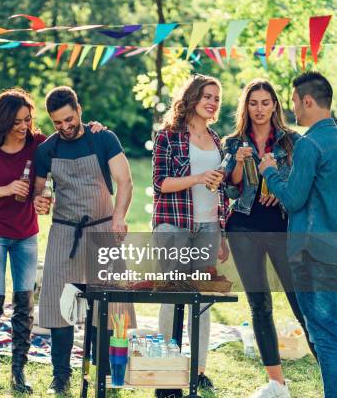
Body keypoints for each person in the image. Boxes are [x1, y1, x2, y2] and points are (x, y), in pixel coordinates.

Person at [0, 88, 106, 394]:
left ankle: (19, 371)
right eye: (17, 121)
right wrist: (5, 189)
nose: (24, 126)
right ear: (2, 121)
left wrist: (96, 127)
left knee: (24, 305)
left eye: (28, 119)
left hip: (26, 234)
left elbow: (69, 146)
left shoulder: (39, 145)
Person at [33, 86, 135, 395]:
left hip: (104, 228)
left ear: (79, 109)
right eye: (57, 123)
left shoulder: (103, 138)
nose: (64, 127)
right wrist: (40, 201)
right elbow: (39, 191)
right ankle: (61, 377)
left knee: (111, 301)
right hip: (65, 231)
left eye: (69, 119)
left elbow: (125, 181)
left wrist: (119, 217)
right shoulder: (47, 150)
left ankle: (103, 371)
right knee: (58, 304)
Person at [223, 79, 315, 398]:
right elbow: (232, 190)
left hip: (281, 229)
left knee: (300, 300)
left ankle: (329, 371)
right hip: (244, 228)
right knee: (259, 304)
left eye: (265, 102)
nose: (259, 109)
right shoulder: (234, 142)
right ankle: (278, 384)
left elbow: (299, 188)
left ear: (275, 105)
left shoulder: (292, 141)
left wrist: (279, 185)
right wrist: (238, 163)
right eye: (253, 103)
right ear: (245, 107)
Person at [259, 71, 337, 398]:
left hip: (312, 253)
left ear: (307, 100)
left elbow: (292, 199)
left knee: (324, 338)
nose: (293, 110)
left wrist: (270, 173)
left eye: (293, 102)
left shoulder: (310, 143)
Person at [151, 74, 230, 398]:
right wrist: (197, 177)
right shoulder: (168, 136)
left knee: (203, 300)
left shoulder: (217, 140)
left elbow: (221, 190)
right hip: (174, 225)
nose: (212, 102)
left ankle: (198, 371)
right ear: (193, 97)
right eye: (207, 96)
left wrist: (221, 232)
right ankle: (167, 373)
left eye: (216, 98)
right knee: (171, 297)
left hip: (208, 227)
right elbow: (160, 183)